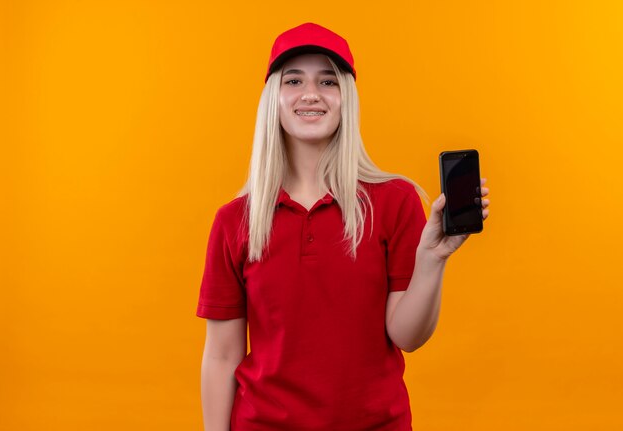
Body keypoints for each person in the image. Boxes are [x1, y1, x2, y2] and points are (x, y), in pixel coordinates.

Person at [196, 22, 490, 431]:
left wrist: (431, 260)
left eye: (328, 81)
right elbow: (222, 356)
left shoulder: (395, 201)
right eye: (294, 80)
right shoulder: (235, 221)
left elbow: (407, 336)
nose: (311, 94)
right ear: (273, 99)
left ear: (346, 99)